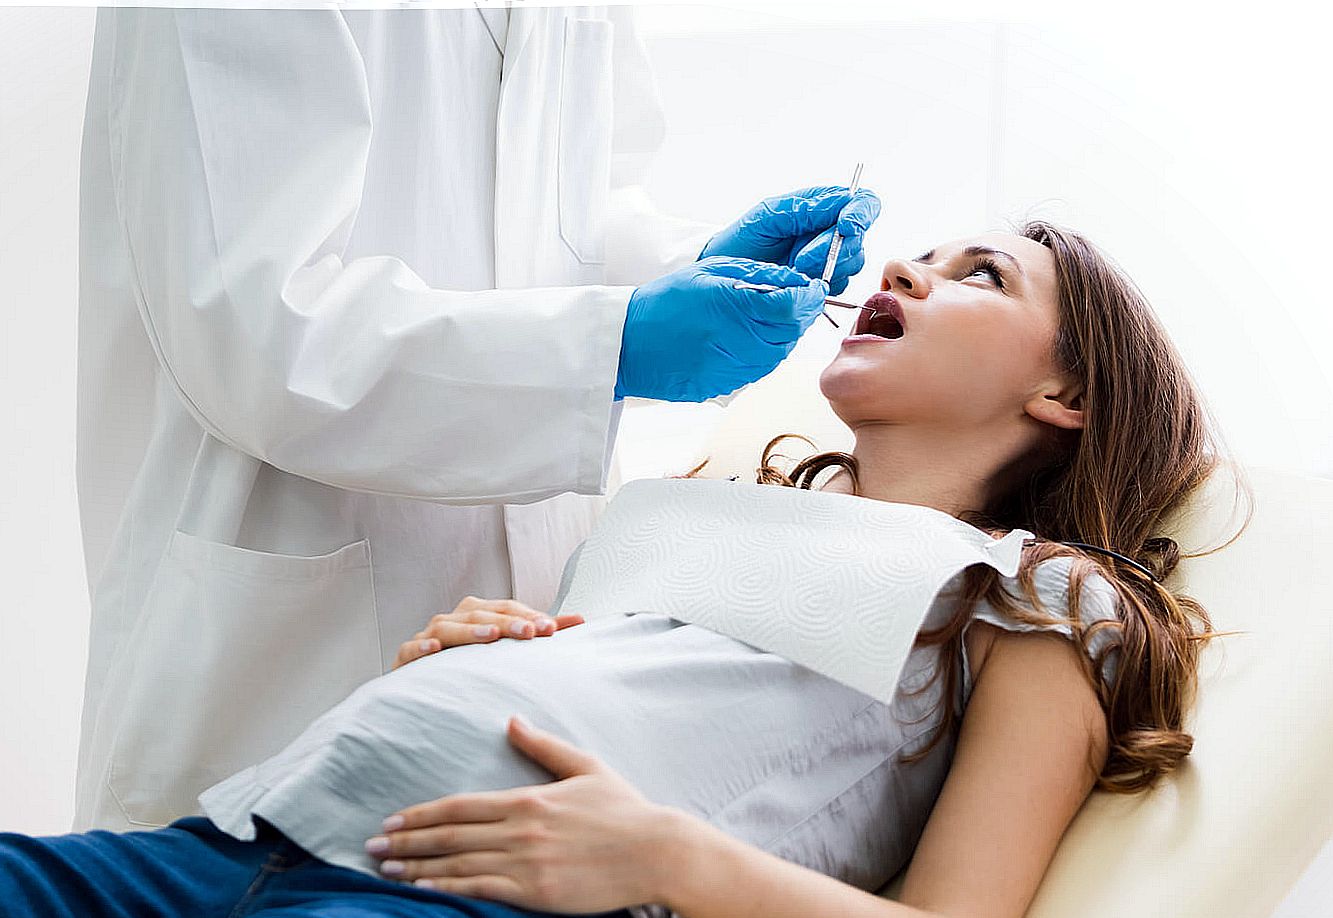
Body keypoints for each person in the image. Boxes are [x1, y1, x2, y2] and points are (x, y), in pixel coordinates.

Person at [0, 223, 1246, 918]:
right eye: (921, 250)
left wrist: (666, 850)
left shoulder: (1036, 595)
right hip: (252, 835)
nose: (906, 265)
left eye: (978, 272)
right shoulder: (706, 511)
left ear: (1065, 392)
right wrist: (466, 662)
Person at [72, 4, 879, 833]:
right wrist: (615, 341)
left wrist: (699, 267)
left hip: (527, 664)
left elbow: (570, 211)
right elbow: (253, 327)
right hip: (284, 647)